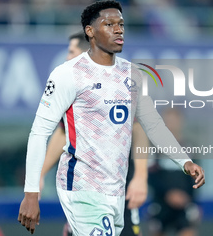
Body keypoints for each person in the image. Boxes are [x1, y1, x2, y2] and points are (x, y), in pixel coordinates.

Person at [18, 0, 205, 236]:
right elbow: (39, 133)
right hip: (82, 188)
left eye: (121, 24)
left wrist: (184, 161)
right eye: (109, 24)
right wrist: (31, 193)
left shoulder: (132, 74)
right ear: (90, 31)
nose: (118, 29)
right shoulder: (68, 74)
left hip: (116, 192)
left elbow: (153, 125)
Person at [39, 31, 150, 236]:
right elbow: (63, 134)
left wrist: (141, 176)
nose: (67, 57)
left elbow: (139, 127)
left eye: (71, 51)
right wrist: (40, 172)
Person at [148, 108, 201, 236]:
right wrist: (168, 194)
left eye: (174, 121)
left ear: (181, 122)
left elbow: (197, 177)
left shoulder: (190, 148)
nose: (171, 124)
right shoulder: (155, 149)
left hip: (184, 203)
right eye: (168, 121)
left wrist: (191, 200)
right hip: (161, 202)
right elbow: (151, 176)